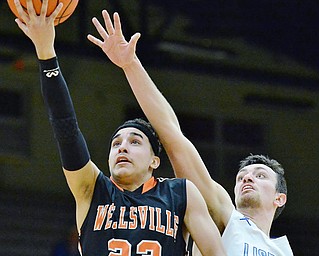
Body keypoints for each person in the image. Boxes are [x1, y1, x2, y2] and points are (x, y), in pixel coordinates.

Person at [13, 0, 226, 255]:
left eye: (135, 142)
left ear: (154, 161)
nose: (122, 147)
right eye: (116, 143)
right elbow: (65, 128)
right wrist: (46, 51)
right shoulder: (92, 188)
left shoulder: (179, 193)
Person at [86, 7, 294, 256]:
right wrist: (131, 65)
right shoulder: (226, 218)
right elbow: (173, 138)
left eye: (260, 176)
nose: (246, 178)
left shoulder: (283, 251)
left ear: (279, 198)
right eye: (241, 177)